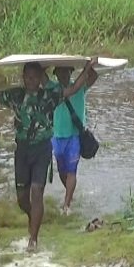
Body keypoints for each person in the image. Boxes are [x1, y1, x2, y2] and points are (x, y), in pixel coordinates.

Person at [0, 59, 95, 252]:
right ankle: (35, 216)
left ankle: (33, 239)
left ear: (40, 78)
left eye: (35, 77)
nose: (32, 81)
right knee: (22, 199)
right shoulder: (15, 95)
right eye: (28, 77)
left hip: (42, 150)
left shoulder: (49, 95)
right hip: (22, 151)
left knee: (36, 191)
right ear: (23, 78)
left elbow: (73, 88)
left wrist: (88, 68)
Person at [50, 65, 99, 215]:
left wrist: (89, 65)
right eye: (59, 72)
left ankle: (66, 204)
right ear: (56, 74)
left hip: (75, 136)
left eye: (65, 71)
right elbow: (41, 77)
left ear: (71, 72)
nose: (62, 75)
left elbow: (94, 76)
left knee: (72, 171)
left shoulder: (80, 86)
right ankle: (69, 194)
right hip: (57, 136)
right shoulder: (52, 89)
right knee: (62, 171)